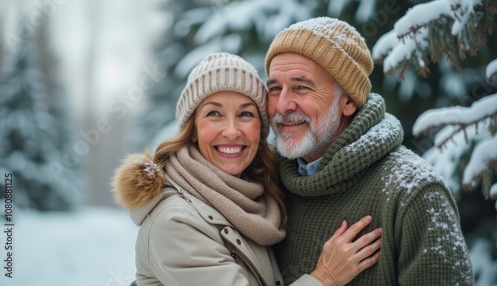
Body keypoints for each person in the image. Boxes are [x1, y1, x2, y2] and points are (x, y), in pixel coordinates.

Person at [112, 52, 382, 286]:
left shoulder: (259, 197)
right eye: (214, 114)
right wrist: (325, 277)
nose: (231, 131)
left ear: (261, 130)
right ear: (192, 130)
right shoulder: (176, 221)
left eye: (245, 114)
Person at [264, 17, 475, 286]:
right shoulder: (265, 182)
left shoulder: (413, 192)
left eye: (301, 87)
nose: (282, 105)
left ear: (349, 100)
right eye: (274, 88)